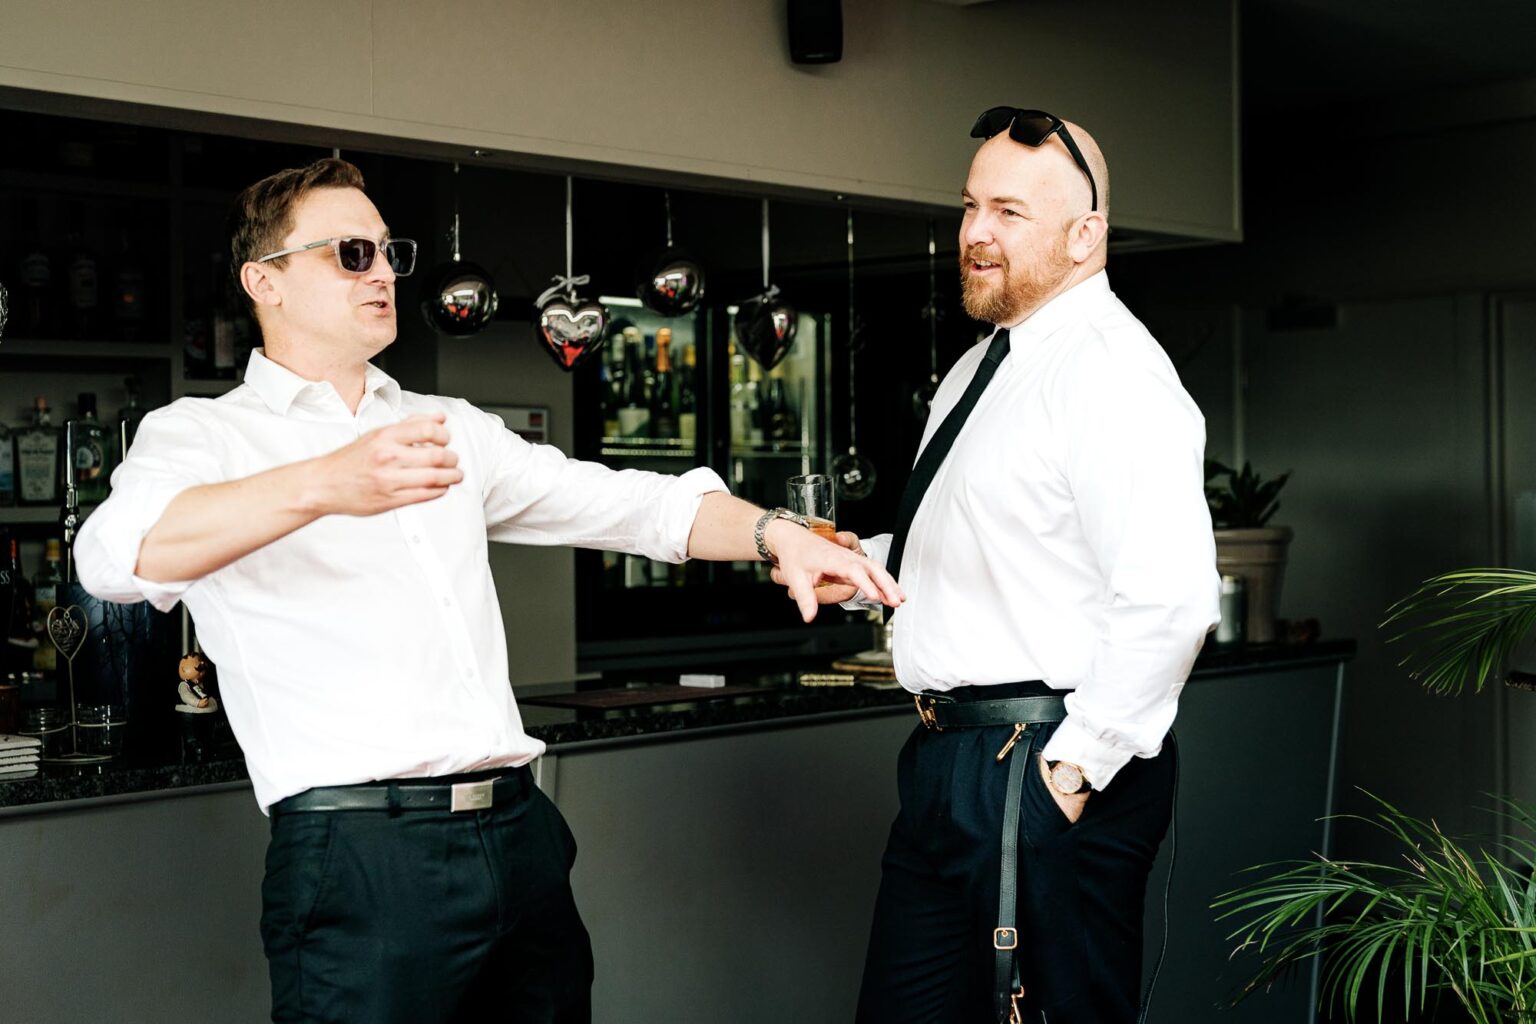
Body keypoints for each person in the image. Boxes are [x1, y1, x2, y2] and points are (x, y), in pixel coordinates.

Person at [73, 157, 902, 1024]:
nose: (386, 272)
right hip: (360, 849)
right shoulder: (203, 434)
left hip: (518, 833)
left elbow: (634, 505)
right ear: (264, 281)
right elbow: (112, 559)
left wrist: (779, 535)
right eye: (351, 254)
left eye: (390, 251)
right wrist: (324, 483)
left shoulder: (448, 427)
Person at [777, 109, 1220, 1022]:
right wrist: (865, 561)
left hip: (1041, 760)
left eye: (1009, 212)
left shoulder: (1112, 372)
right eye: (971, 205)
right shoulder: (982, 366)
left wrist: (1073, 772)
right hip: (949, 763)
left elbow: (1170, 597)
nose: (975, 233)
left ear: (1083, 234)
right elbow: (1002, 538)